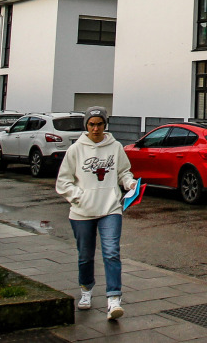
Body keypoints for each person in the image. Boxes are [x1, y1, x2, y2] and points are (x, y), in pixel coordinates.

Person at [55, 107, 137, 320]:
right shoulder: (76, 149)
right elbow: (63, 182)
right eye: (91, 124)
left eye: (99, 124)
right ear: (86, 126)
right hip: (82, 211)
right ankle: (86, 289)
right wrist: (78, 196)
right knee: (85, 255)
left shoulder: (115, 147)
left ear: (105, 125)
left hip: (110, 208)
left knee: (111, 251)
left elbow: (123, 171)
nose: (96, 128)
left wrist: (129, 183)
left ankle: (113, 299)